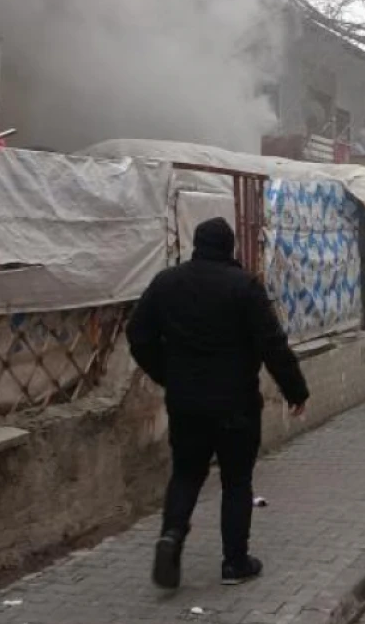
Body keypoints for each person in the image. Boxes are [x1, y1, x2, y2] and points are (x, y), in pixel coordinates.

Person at [127, 217, 310, 590]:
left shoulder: (167, 283)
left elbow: (138, 334)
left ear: (197, 244)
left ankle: (172, 535)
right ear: (230, 248)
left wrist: (166, 373)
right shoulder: (244, 287)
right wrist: (296, 391)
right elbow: (271, 344)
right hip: (236, 406)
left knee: (187, 473)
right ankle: (234, 563)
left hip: (186, 404)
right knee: (236, 481)